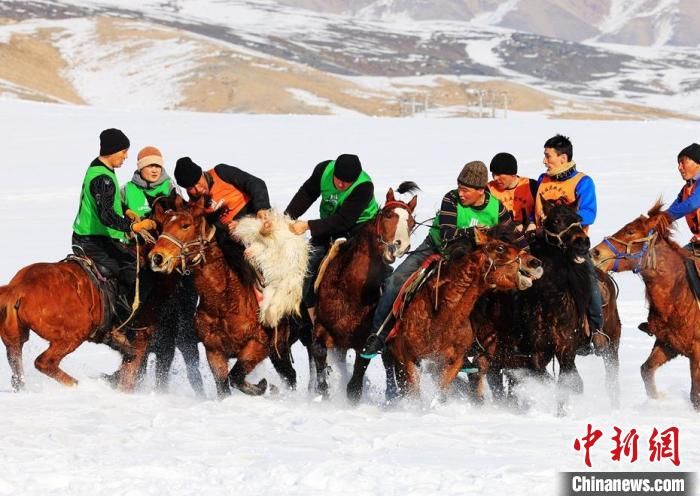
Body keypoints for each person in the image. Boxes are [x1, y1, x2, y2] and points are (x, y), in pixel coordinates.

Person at [360, 161, 525, 359]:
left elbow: (515, 238)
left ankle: (471, 347)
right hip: (434, 248)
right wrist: (474, 233)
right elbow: (448, 234)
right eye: (459, 187)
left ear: (481, 190)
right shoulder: (451, 199)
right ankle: (378, 335)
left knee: (480, 297)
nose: (460, 193)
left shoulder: (496, 209)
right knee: (396, 281)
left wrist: (525, 254)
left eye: (466, 190)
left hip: (466, 260)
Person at [71, 128, 156, 346]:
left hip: (91, 237)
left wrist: (126, 209)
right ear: (111, 151)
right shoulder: (104, 179)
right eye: (123, 152)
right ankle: (116, 327)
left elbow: (109, 204)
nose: (126, 157)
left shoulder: (98, 168)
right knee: (132, 271)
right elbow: (106, 216)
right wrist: (133, 227)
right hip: (93, 242)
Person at [285, 154, 379, 326]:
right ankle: (311, 321)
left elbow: (344, 220)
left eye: (347, 183)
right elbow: (306, 194)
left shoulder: (364, 186)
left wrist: (307, 226)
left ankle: (375, 319)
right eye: (339, 180)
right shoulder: (323, 170)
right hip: (328, 223)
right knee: (308, 266)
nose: (342, 185)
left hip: (360, 225)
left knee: (371, 268)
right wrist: (286, 218)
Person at [534, 134, 604, 344]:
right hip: (543, 245)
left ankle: (597, 329)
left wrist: (562, 220)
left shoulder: (583, 181)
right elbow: (535, 210)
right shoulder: (541, 180)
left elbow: (589, 213)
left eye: (548, 156)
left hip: (572, 247)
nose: (545, 161)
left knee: (589, 278)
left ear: (563, 158)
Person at [638, 143, 700, 336]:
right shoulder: (686, 189)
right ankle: (659, 319)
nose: (679, 167)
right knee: (667, 265)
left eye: (683, 162)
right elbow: (675, 208)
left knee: (686, 262)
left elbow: (692, 204)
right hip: (697, 242)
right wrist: (654, 223)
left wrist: (662, 218)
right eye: (678, 163)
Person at [121, 146, 176, 218]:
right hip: (134, 228)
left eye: (158, 166)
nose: (154, 170)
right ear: (141, 168)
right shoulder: (126, 189)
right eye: (150, 166)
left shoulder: (170, 185)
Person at [487, 152, 537, 229]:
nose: (495, 178)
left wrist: (532, 223)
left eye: (499, 174)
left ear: (513, 174)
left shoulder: (531, 185)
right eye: (493, 173)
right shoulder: (488, 190)